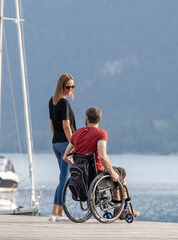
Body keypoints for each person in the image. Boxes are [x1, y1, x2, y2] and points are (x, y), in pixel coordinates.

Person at [63, 107, 139, 218]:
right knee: (121, 172)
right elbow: (103, 157)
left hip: (81, 174)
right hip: (97, 173)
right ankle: (120, 208)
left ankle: (118, 206)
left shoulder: (76, 133)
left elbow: (66, 156)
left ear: (86, 118)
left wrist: (75, 166)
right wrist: (112, 172)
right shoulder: (101, 134)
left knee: (113, 172)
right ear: (99, 119)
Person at [48, 73, 76, 221]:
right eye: (68, 87)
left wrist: (55, 138)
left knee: (62, 178)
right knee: (64, 179)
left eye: (72, 86)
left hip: (56, 143)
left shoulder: (52, 101)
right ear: (61, 86)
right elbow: (66, 126)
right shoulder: (64, 103)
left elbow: (52, 124)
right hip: (66, 144)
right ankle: (58, 213)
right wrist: (73, 144)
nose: (70, 89)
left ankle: (55, 212)